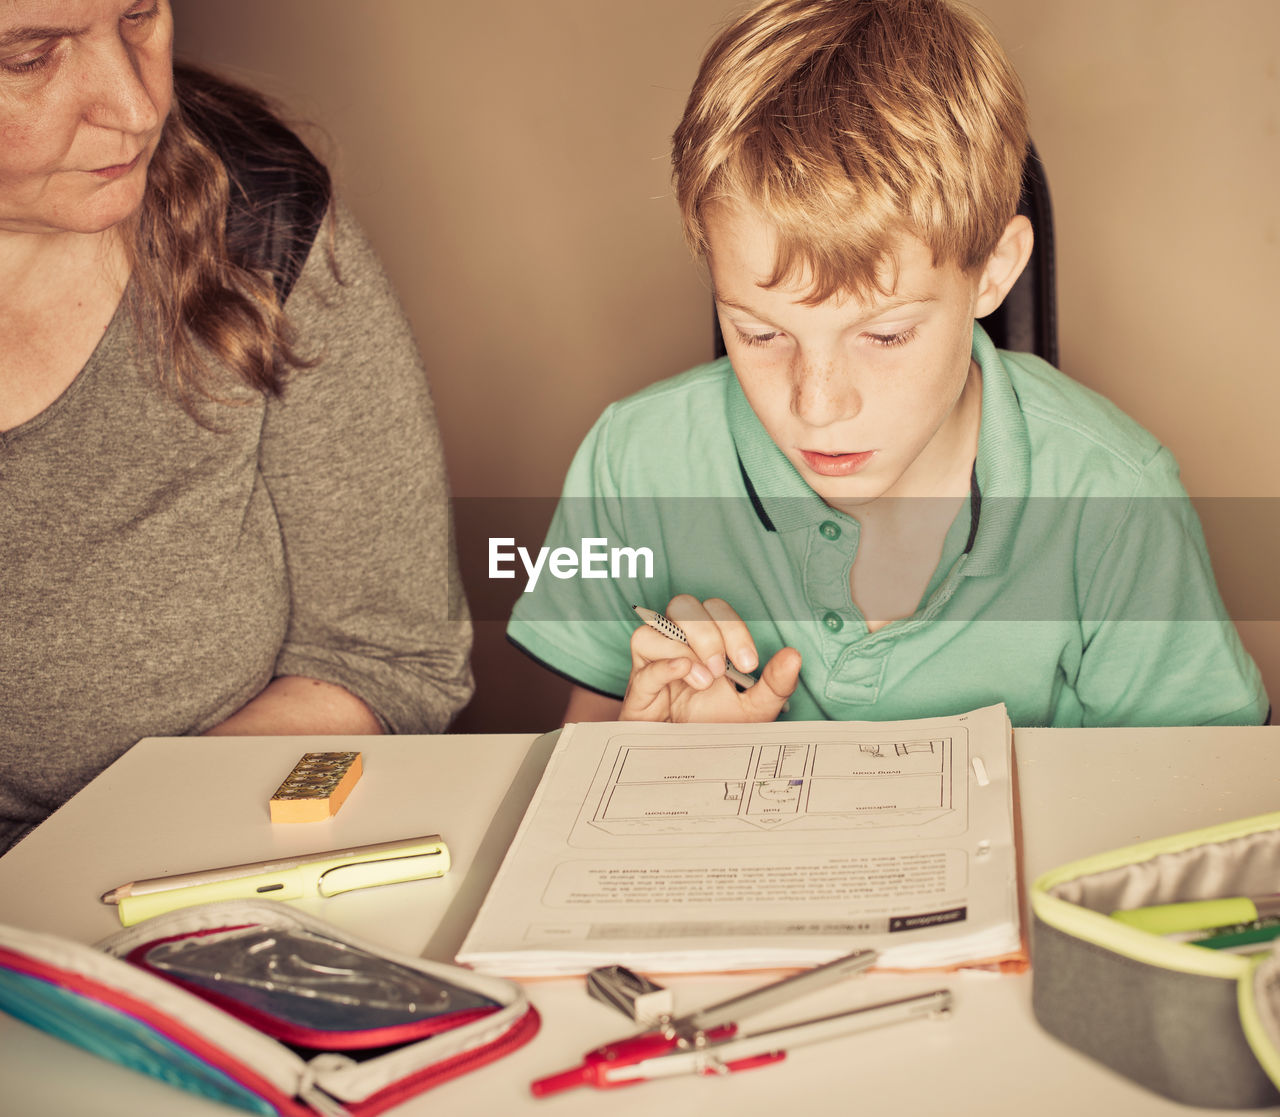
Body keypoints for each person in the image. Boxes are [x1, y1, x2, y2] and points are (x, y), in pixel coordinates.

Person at [507, 0, 1267, 729]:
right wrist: (656, 750)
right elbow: (589, 752)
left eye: (886, 335)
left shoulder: (1116, 499)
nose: (818, 403)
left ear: (995, 271)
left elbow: (1201, 814)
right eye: (761, 334)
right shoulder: (632, 464)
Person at [0, 0, 473, 853]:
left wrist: (102, 849)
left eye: (141, 14)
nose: (140, 107)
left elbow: (389, 655)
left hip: (208, 863)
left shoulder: (259, 221)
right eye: (30, 56)